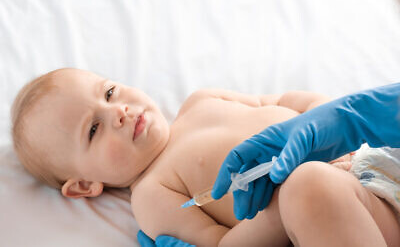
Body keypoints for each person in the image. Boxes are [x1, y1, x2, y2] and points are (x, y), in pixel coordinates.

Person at [11, 68, 400, 246]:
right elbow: (221, 244)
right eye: (93, 129)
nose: (118, 111)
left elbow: (284, 102)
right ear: (83, 185)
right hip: (344, 211)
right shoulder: (153, 191)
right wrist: (280, 207)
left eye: (109, 92)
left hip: (373, 162)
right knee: (310, 184)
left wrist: (328, 119)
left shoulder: (201, 100)